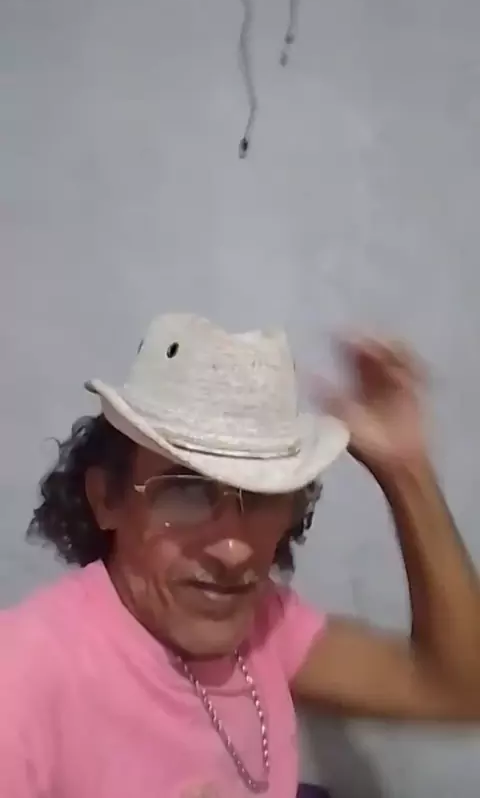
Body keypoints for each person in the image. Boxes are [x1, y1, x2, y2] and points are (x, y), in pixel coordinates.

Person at [1, 313, 480, 798]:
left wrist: (406, 472)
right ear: (107, 499)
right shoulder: (23, 671)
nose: (234, 551)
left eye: (263, 495)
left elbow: (460, 690)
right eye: (185, 493)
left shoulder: (264, 623)